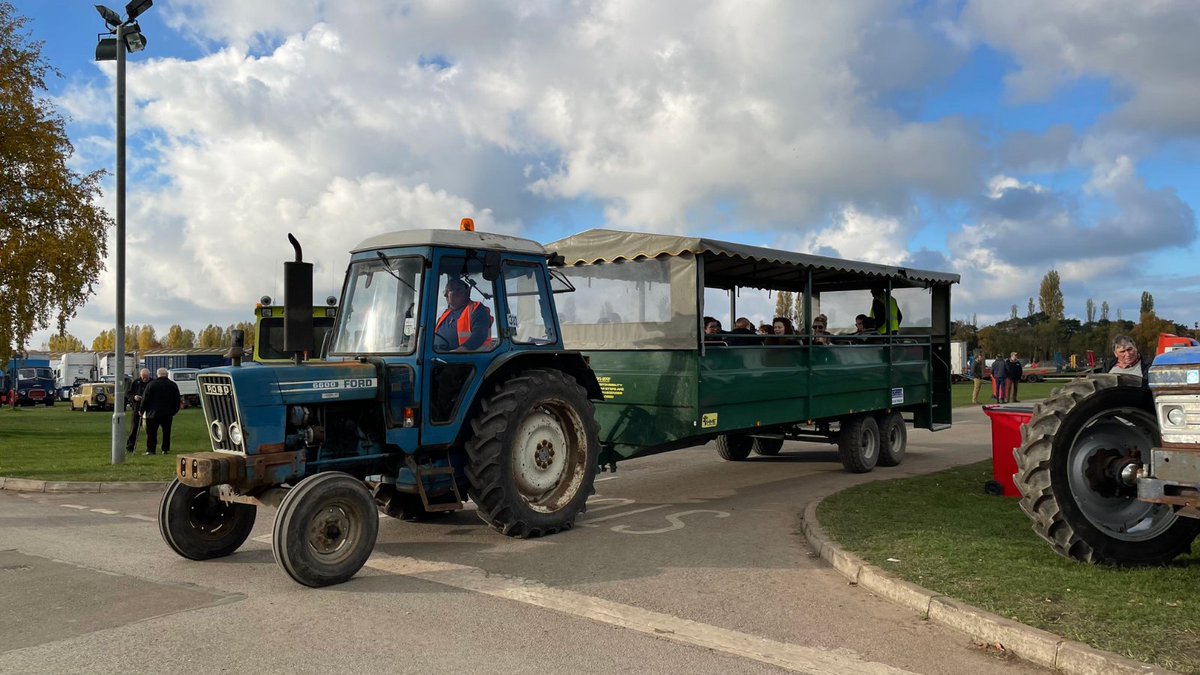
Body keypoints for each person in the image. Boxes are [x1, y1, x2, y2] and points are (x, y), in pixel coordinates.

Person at [434, 278, 493, 351]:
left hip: (466, 358)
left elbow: (480, 334)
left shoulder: (477, 310)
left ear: (462, 293)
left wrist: (462, 349)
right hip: (438, 355)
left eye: (449, 291)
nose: (445, 295)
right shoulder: (446, 313)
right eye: (444, 291)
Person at [140, 367, 181, 455]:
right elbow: (177, 399)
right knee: (166, 432)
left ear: (157, 375)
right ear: (166, 375)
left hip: (152, 413)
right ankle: (165, 449)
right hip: (167, 413)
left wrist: (141, 410)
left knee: (151, 433)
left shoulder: (151, 384)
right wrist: (175, 410)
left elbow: (145, 398)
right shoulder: (173, 385)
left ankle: (151, 450)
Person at [124, 368, 152, 453]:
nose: (145, 379)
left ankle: (150, 448)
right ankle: (130, 447)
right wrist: (134, 397)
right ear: (140, 375)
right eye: (143, 377)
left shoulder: (152, 383)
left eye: (146, 377)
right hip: (137, 408)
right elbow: (129, 394)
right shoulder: (136, 383)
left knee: (150, 429)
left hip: (149, 409)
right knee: (134, 429)